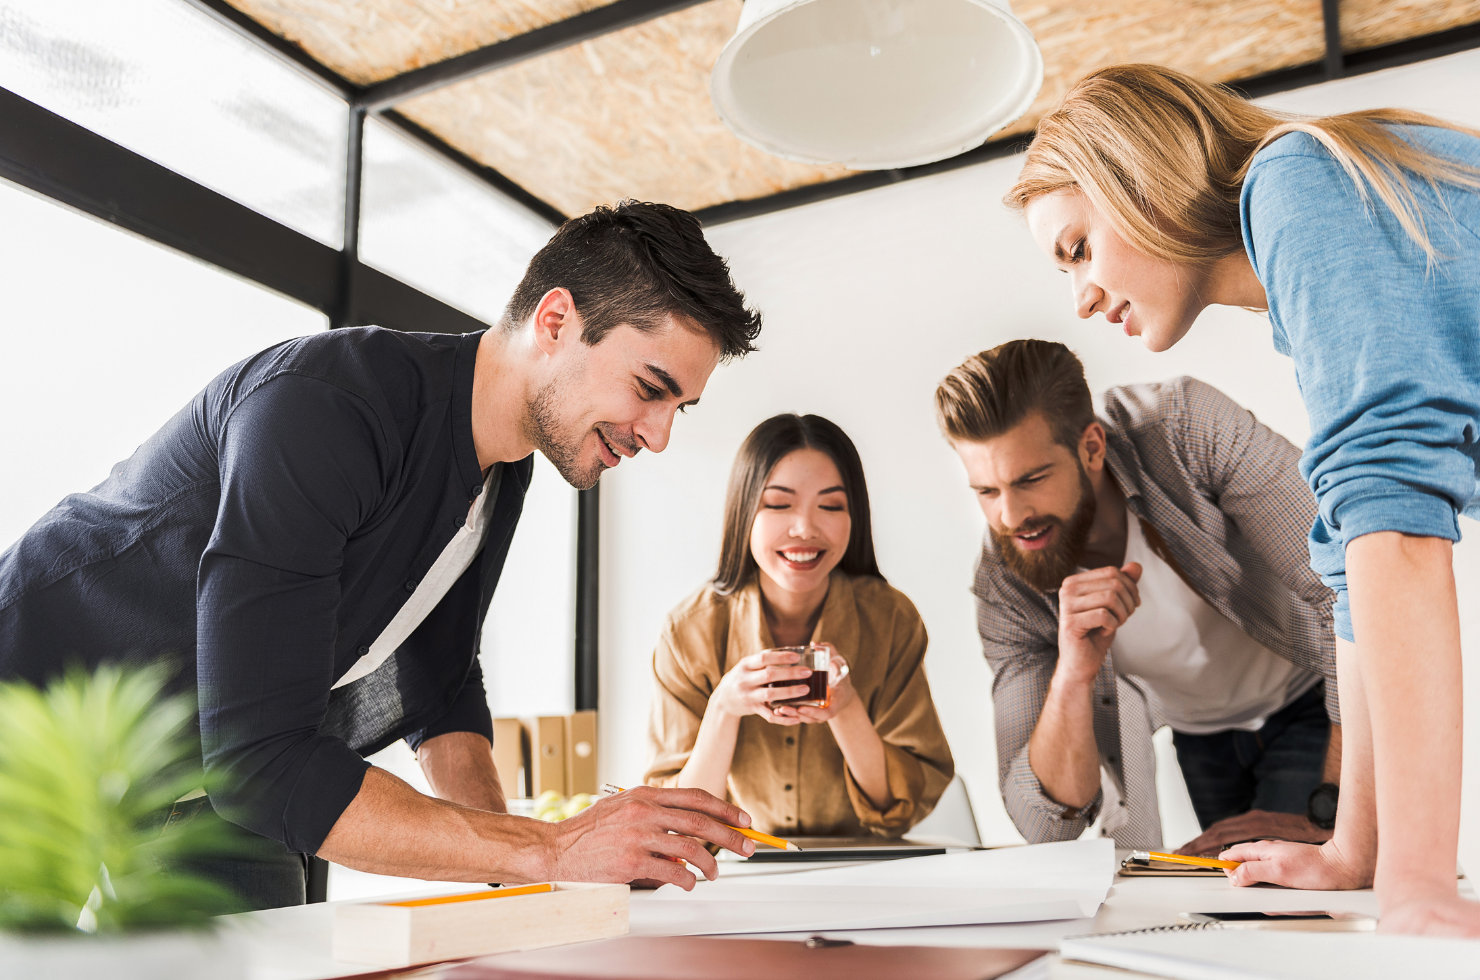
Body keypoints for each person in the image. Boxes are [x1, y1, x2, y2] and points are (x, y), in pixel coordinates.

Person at [0, 201, 766, 910]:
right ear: (556, 320)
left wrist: (525, 881)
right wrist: (554, 846)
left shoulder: (506, 473)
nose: (658, 434)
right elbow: (263, 761)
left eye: (678, 409)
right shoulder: (326, 406)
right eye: (650, 388)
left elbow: (440, 686)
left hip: (203, 777)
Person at [1007, 63, 1480, 935]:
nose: (1079, 298)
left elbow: (1395, 527)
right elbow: (1353, 573)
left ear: (1138, 177)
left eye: (1077, 247)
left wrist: (1416, 887)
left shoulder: (1294, 184)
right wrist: (1358, 854)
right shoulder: (1302, 242)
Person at [936, 340, 1338, 854]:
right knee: (1247, 898)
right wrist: (1073, 674)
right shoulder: (1006, 581)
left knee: (1288, 895)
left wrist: (1332, 803)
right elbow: (1045, 824)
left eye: (1031, 480)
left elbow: (1349, 588)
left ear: (1092, 448)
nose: (1011, 516)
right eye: (987, 492)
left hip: (1311, 699)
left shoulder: (1182, 426)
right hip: (1200, 735)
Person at [645, 414, 953, 837]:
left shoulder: (891, 619)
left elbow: (900, 807)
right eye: (778, 503)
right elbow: (679, 826)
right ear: (744, 511)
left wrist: (846, 709)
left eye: (830, 505)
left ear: (854, 516)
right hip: (736, 877)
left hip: (863, 872)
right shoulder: (688, 631)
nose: (805, 528)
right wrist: (724, 708)